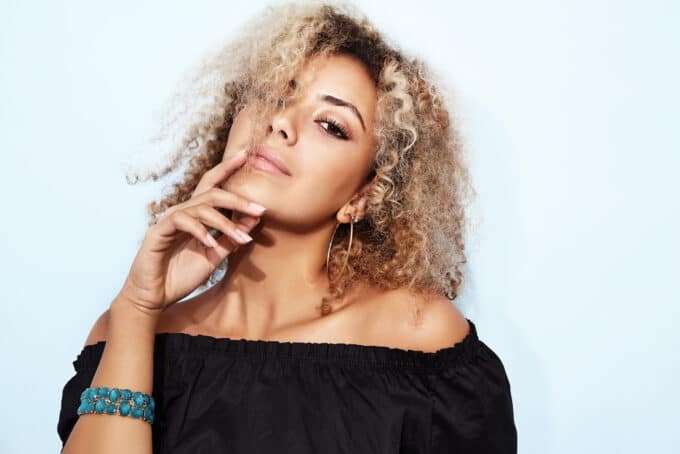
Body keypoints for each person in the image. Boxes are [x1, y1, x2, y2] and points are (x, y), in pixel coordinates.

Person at [57, 2, 517, 453]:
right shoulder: (126, 331)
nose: (281, 122)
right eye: (275, 95)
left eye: (331, 125)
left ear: (363, 196)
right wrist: (138, 307)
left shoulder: (423, 343)